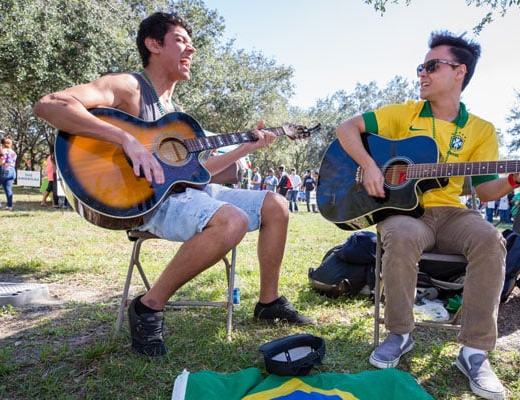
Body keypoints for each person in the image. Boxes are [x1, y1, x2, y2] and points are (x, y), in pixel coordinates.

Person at [34, 12, 313, 357]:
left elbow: (198, 174)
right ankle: (148, 306)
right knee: (233, 220)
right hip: (149, 201)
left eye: (190, 42)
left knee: (276, 205)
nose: (191, 49)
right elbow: (50, 104)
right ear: (153, 44)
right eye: (181, 40)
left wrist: (246, 148)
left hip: (183, 195)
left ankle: (268, 303)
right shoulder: (129, 87)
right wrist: (125, 139)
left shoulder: (175, 113)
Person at [334, 31, 520, 400]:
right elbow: (345, 129)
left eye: (432, 66)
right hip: (406, 213)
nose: (422, 73)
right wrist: (370, 166)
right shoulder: (404, 113)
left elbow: (483, 190)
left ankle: (474, 352)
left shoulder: (480, 130)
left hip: (452, 212)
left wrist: (515, 178)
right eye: (422, 66)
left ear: (459, 72)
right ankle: (399, 333)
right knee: (399, 236)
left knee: (490, 240)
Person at [0, 137, 17, 210]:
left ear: (2, 144)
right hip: (12, 170)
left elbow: (2, 161)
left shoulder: (3, 151)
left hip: (3, 169)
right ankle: (9, 205)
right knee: (8, 189)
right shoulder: (13, 152)